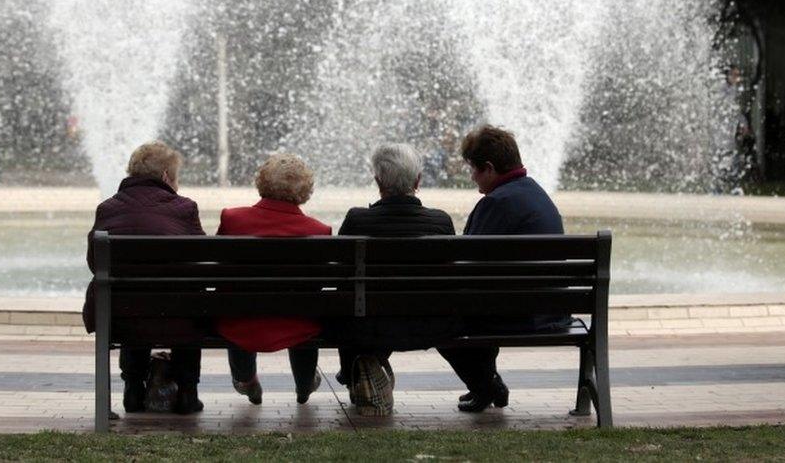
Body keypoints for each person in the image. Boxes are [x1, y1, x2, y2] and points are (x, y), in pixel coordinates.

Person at [437, 124, 564, 413]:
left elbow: (467, 264)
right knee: (477, 302)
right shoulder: (535, 193)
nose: (471, 177)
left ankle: (485, 385)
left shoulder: (498, 202)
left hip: (520, 313)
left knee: (437, 319)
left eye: (473, 169)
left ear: (490, 168)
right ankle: (484, 385)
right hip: (547, 309)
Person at [82, 141, 205, 415]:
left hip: (120, 315)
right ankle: (187, 392)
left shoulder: (107, 209)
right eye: (176, 177)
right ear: (165, 177)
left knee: (130, 306)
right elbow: (200, 262)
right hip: (178, 317)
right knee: (186, 304)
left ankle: (134, 390)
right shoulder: (185, 209)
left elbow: (94, 263)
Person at [333, 143, 458, 396]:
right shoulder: (441, 222)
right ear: (418, 179)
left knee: (348, 305)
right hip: (430, 326)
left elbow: (343, 281)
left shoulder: (357, 220)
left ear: (378, 182)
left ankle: (355, 374)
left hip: (367, 326)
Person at [216, 153, 331, 404]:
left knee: (236, 305)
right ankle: (305, 383)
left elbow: (221, 272)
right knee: (307, 309)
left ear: (262, 182)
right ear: (305, 190)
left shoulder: (233, 220)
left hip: (241, 321)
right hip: (298, 322)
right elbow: (318, 286)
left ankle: (245, 380)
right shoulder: (319, 231)